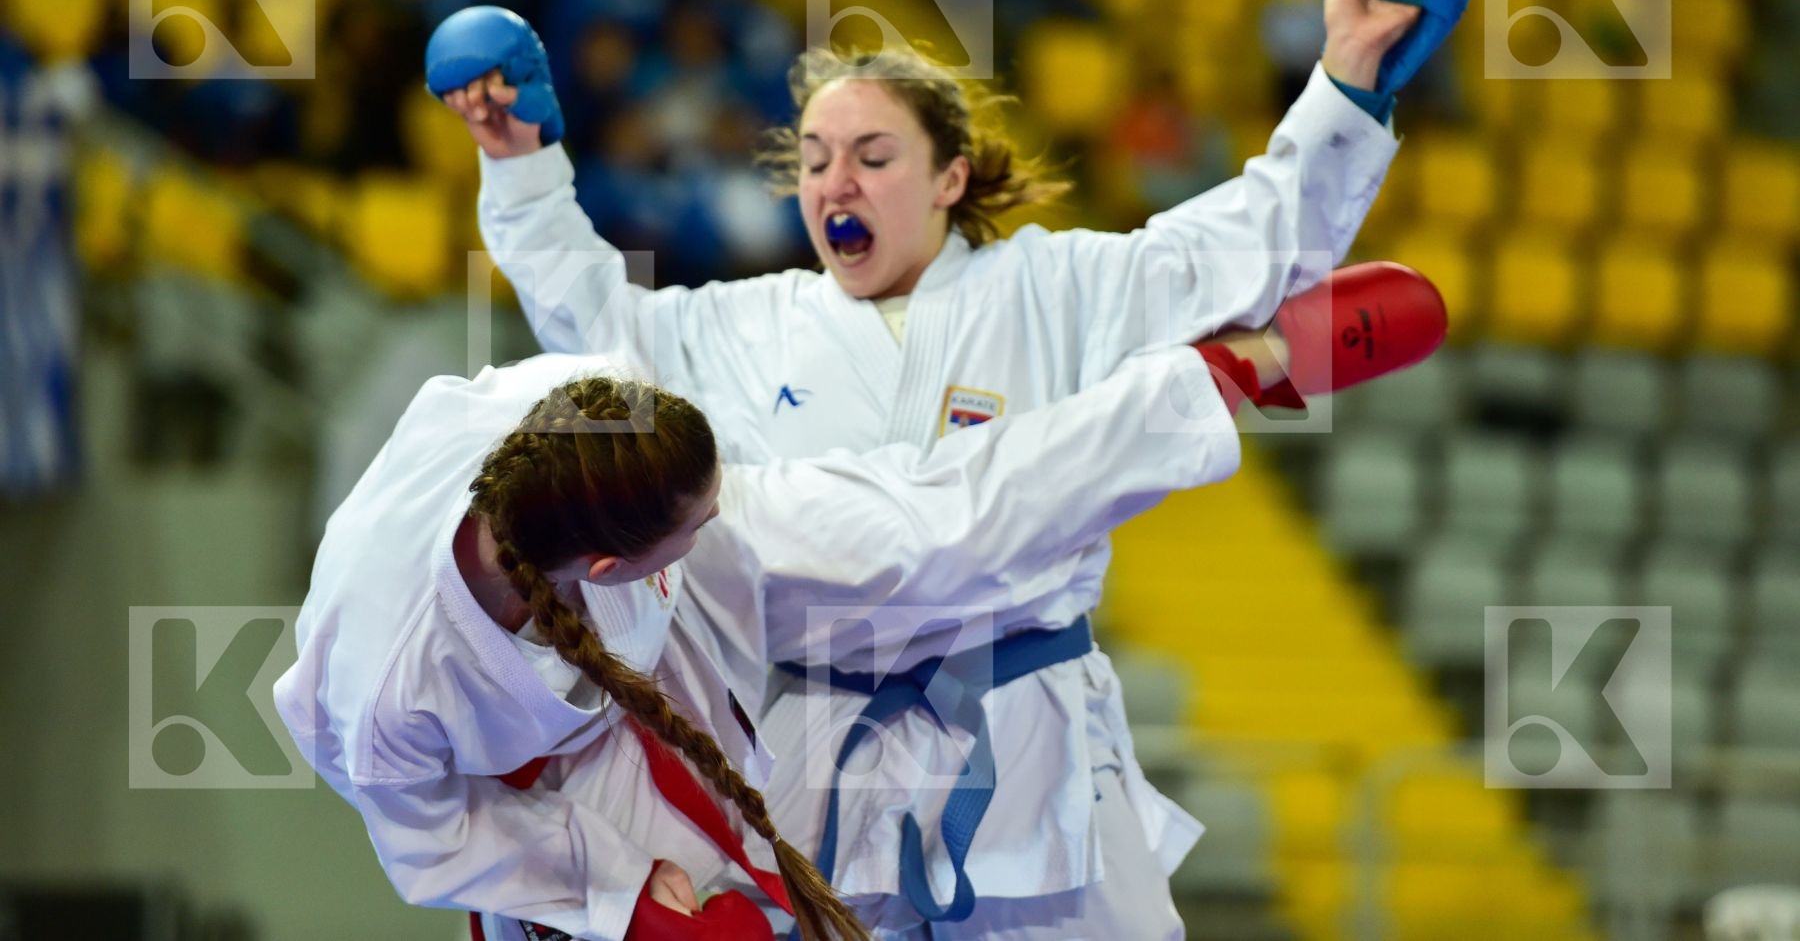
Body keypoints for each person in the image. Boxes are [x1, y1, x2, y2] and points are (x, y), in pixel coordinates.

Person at [428, 0, 1470, 936]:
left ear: (951, 177)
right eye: (819, 159)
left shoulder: (1059, 286)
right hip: (810, 735)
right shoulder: (737, 323)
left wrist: (1350, 71)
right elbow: (591, 322)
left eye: (874, 155)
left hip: (1027, 729)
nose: (837, 180)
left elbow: (1260, 241)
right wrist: (521, 164)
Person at [273, 333, 1307, 941]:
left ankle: (1210, 380)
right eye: (700, 519)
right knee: (713, 910)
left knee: (920, 529)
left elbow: (666, 459)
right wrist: (627, 901)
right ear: (604, 570)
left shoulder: (565, 425)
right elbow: (437, 837)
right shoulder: (388, 685)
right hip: (554, 772)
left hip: (646, 552)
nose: (724, 515)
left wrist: (696, 506)